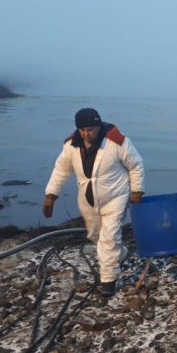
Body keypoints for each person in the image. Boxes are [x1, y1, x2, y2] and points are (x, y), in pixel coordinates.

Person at [42, 108, 145, 297]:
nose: (86, 133)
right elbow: (61, 170)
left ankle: (109, 280)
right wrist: (51, 195)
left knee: (109, 238)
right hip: (87, 200)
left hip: (115, 196)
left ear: (98, 126)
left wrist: (137, 190)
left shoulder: (117, 142)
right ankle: (121, 254)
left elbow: (136, 165)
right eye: (82, 130)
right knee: (96, 236)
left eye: (90, 129)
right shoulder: (71, 145)